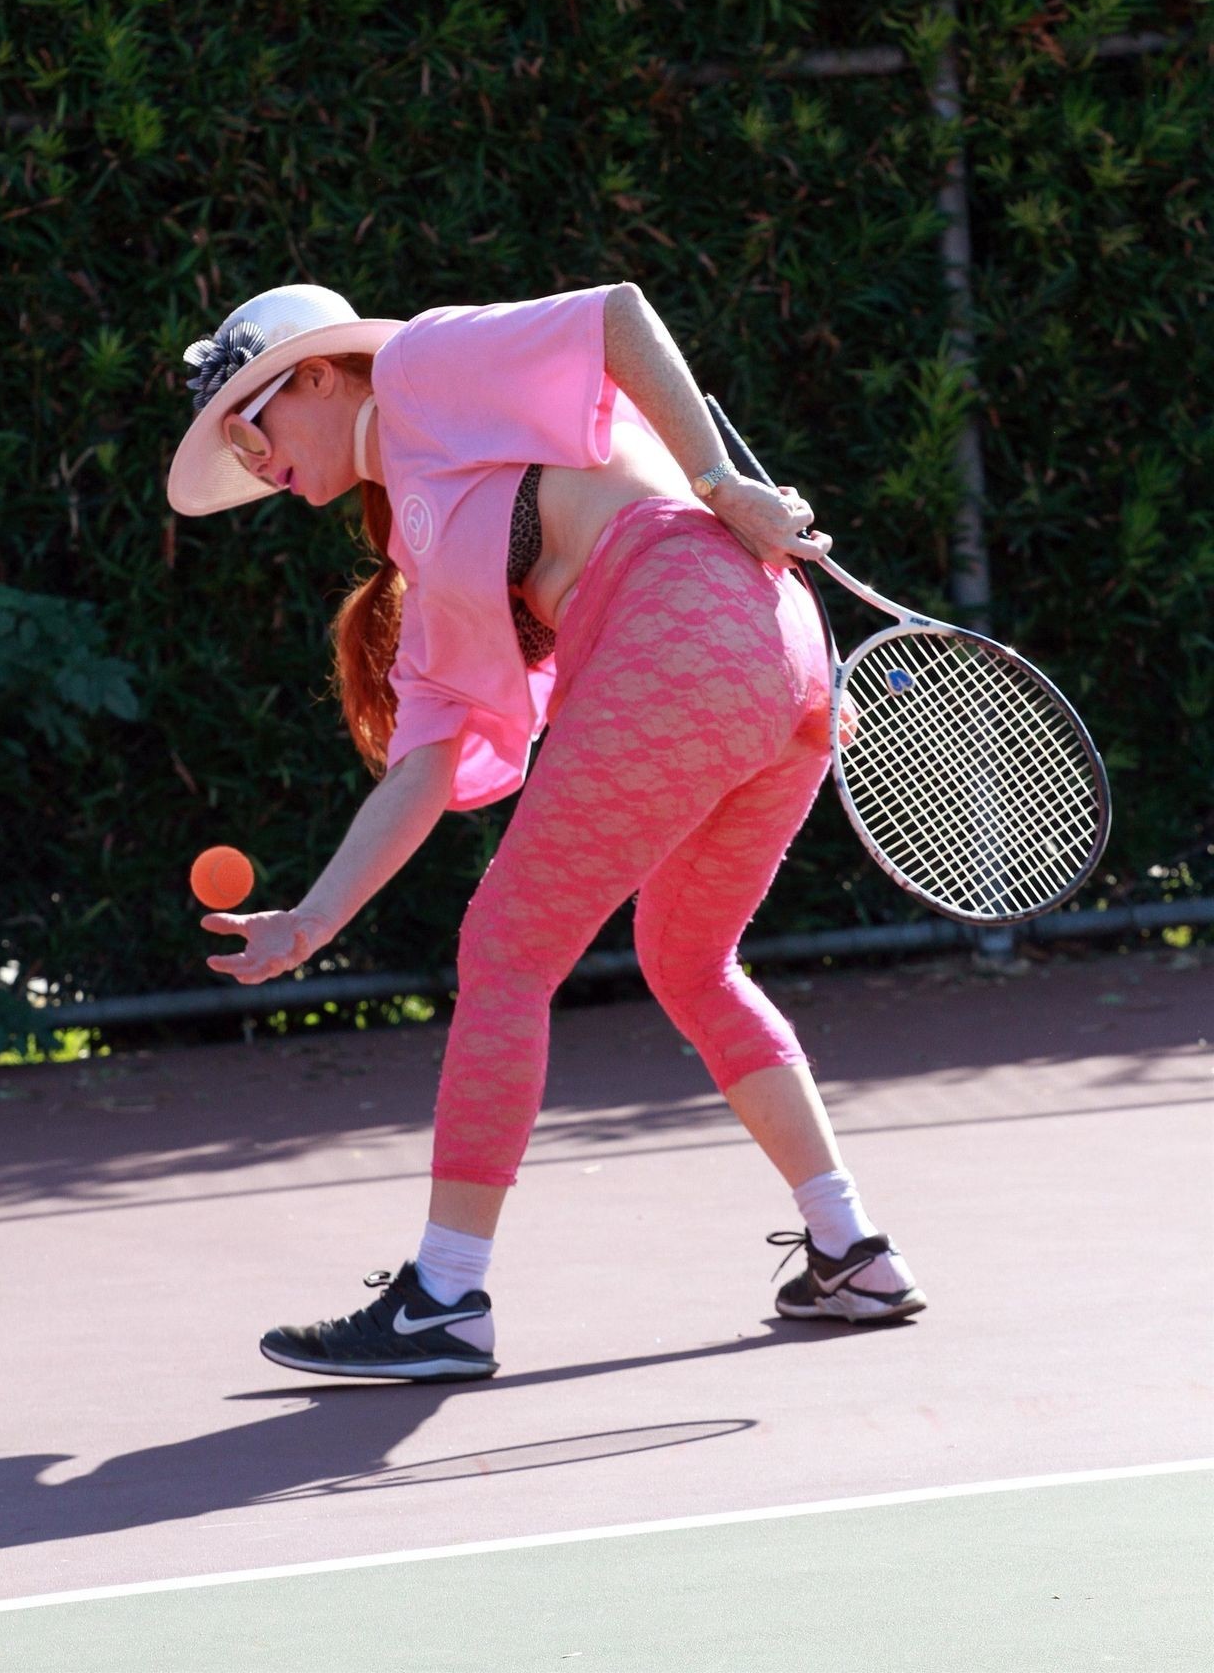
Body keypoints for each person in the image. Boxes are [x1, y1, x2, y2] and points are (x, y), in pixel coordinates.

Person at [167, 280, 926, 1381]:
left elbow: (617, 314)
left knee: (505, 953)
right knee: (687, 960)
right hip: (777, 657)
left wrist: (719, 482)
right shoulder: (431, 564)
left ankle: (442, 1299)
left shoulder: (420, 370)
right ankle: (851, 1250)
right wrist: (311, 919)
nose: (253, 463)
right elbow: (419, 772)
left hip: (686, 629)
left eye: (250, 428)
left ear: (319, 376)